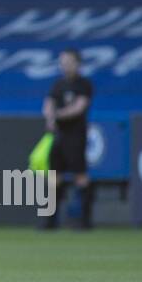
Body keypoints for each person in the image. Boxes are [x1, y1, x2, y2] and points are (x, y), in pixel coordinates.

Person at [42, 48, 94, 230]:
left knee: (80, 175)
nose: (65, 65)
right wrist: (50, 117)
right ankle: (51, 221)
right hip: (59, 136)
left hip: (76, 136)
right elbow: (48, 103)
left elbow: (79, 108)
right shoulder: (58, 84)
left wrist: (57, 115)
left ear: (77, 63)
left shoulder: (83, 84)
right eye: (62, 62)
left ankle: (85, 221)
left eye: (69, 62)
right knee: (54, 176)